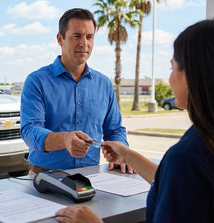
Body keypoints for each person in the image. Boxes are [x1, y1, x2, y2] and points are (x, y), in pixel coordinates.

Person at [55, 19, 214, 223]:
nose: (170, 79)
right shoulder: (200, 144)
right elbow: (179, 182)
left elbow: (182, 175)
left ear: (192, 75)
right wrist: (129, 156)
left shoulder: (185, 158)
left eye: (172, 68)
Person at [20, 8, 130, 174]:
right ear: (60, 39)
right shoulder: (36, 81)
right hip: (44, 175)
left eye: (89, 37)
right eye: (76, 36)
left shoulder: (104, 84)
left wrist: (123, 154)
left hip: (92, 175)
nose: (84, 43)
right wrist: (64, 140)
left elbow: (114, 130)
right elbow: (30, 130)